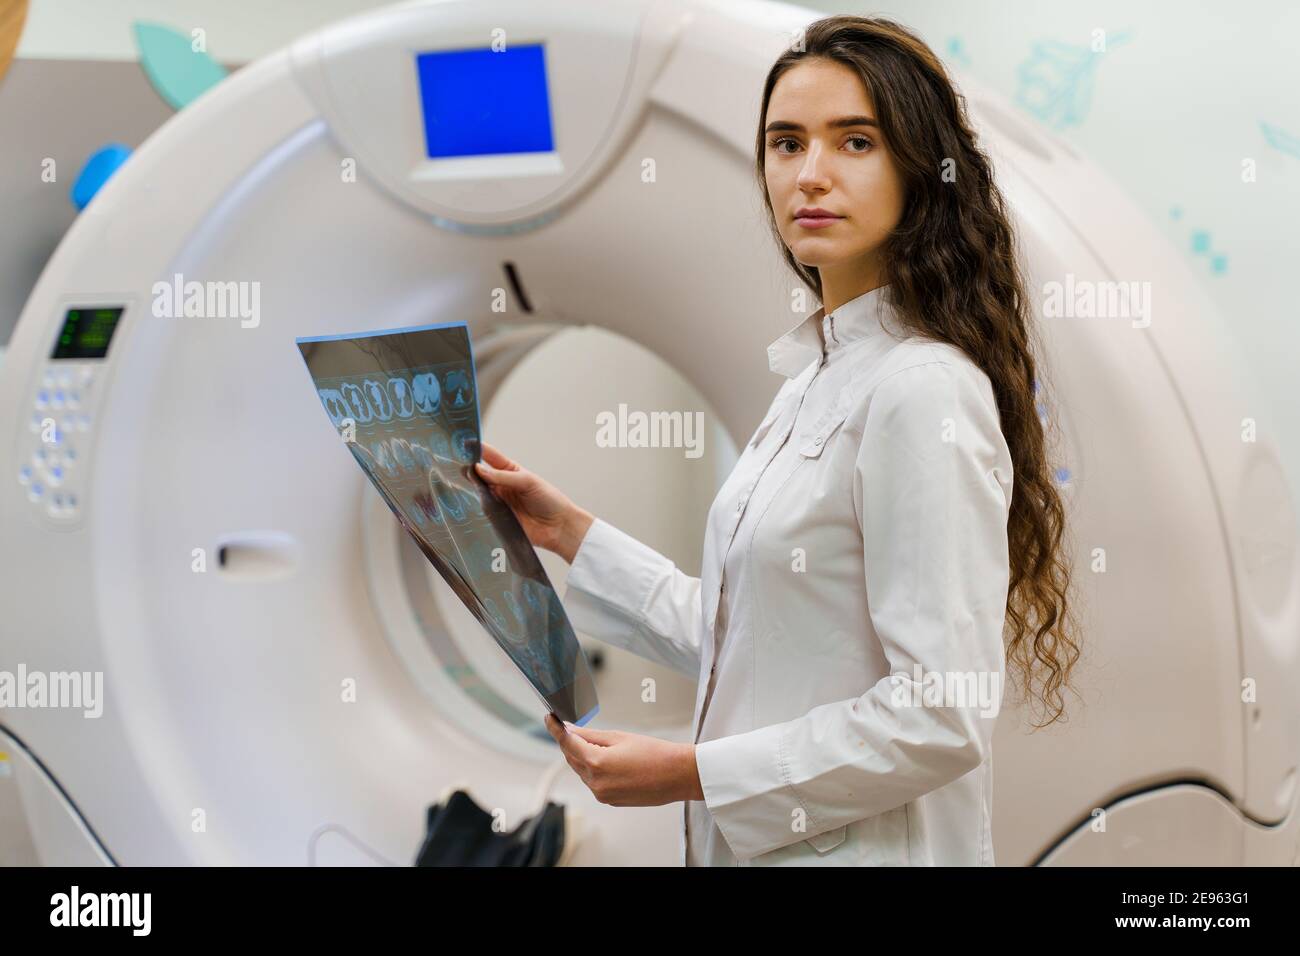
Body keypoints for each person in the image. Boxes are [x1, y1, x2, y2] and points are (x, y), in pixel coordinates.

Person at [474, 14, 1080, 867]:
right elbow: (752, 635)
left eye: (855, 142)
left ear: (920, 169)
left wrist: (694, 773)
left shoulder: (920, 389)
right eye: (786, 144)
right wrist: (569, 533)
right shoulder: (810, 381)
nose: (811, 175)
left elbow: (941, 714)